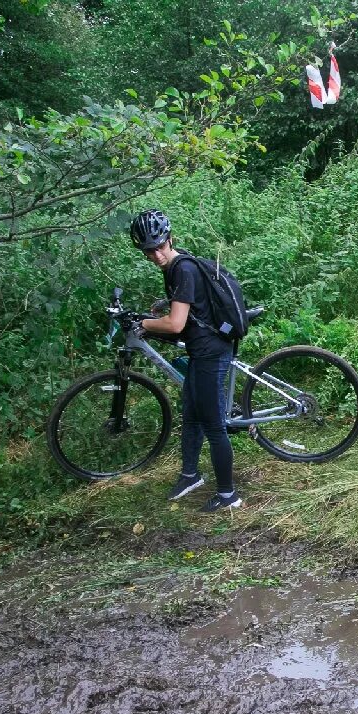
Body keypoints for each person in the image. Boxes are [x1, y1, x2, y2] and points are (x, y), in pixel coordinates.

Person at [130, 209, 242, 512]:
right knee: (191, 414)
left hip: (210, 352)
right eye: (148, 250)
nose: (155, 254)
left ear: (170, 239)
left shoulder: (183, 269)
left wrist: (145, 324)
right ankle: (190, 476)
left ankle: (228, 494)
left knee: (214, 424)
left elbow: (176, 324)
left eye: (159, 246)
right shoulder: (177, 267)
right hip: (201, 350)